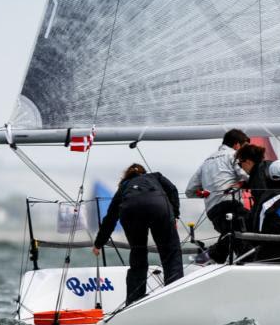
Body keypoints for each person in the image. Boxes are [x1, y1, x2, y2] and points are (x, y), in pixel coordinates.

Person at [93, 164, 183, 305]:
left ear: (126, 175)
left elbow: (110, 218)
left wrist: (98, 244)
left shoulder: (124, 187)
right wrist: (175, 214)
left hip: (130, 210)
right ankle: (174, 295)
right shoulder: (155, 176)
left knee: (138, 252)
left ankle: (135, 301)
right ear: (143, 172)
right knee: (170, 252)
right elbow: (172, 190)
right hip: (159, 206)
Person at [185, 129, 250, 263]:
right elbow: (248, 176)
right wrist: (242, 183)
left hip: (213, 211)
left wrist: (207, 194)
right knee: (253, 226)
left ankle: (204, 258)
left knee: (232, 236)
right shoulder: (234, 155)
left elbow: (190, 191)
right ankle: (208, 258)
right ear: (237, 145)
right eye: (245, 147)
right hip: (230, 206)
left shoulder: (207, 161)